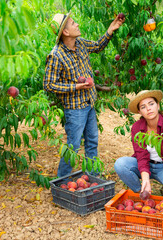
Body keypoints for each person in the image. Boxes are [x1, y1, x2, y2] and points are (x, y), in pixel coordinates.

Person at [44, 11, 125, 177]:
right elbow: (49, 85)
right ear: (65, 32)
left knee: (92, 142)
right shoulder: (56, 55)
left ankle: (93, 176)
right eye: (73, 23)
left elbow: (97, 46)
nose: (77, 24)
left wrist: (111, 29)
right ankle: (63, 180)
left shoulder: (80, 43)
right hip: (74, 109)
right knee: (72, 146)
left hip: (89, 102)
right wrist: (76, 87)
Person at [114, 90, 163, 196]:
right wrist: (146, 180)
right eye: (143, 107)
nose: (148, 108)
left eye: (151, 104)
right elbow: (141, 156)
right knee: (120, 164)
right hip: (144, 164)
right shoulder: (137, 127)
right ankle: (140, 191)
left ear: (158, 106)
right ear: (140, 112)